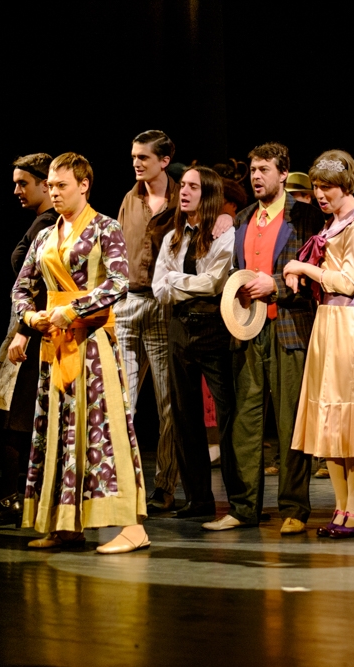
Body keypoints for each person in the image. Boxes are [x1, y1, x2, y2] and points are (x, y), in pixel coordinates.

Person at [13, 152, 149, 554]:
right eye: (51, 187)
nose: (54, 193)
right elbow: (22, 286)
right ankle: (66, 525)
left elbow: (118, 282)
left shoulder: (105, 227)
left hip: (91, 344)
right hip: (53, 343)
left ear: (84, 184)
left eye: (61, 186)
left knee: (104, 431)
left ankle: (133, 527)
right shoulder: (43, 236)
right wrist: (29, 320)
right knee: (58, 429)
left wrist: (71, 309)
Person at [204, 142, 325, 534]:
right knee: (245, 422)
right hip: (247, 331)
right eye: (253, 170)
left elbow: (315, 274)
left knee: (291, 422)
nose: (256, 177)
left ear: (283, 175)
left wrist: (271, 284)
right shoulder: (240, 218)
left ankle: (294, 507)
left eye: (264, 170)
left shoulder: (305, 217)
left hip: (289, 328)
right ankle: (243, 507)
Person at [284, 150, 354, 538]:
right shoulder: (334, 225)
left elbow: (348, 282)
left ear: (345, 185)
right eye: (316, 186)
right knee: (327, 417)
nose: (319, 193)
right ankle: (340, 504)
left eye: (327, 186)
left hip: (350, 323)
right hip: (327, 322)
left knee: (349, 417)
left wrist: (301, 267)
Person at [0, 154, 59, 526]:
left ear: (46, 183)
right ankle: (18, 496)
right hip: (26, 324)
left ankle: (12, 497)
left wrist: (26, 331)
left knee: (18, 417)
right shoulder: (41, 223)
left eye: (23, 182)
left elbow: (38, 280)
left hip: (36, 329)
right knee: (15, 415)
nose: (16, 190)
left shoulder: (49, 224)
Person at [152, 166, 236, 520]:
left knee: (228, 414)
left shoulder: (223, 232)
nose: (183, 192)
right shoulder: (175, 234)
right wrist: (184, 281)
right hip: (179, 328)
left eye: (192, 187)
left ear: (209, 193)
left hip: (215, 327)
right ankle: (198, 498)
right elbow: (158, 286)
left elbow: (215, 283)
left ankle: (240, 498)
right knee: (184, 415)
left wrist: (177, 280)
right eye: (182, 186)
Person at [115, 129, 180, 513]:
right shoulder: (130, 197)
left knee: (167, 403)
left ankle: (165, 485)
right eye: (134, 156)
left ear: (164, 160)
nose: (137, 163)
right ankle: (124, 483)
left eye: (144, 157)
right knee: (121, 401)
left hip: (161, 306)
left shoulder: (180, 197)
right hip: (127, 304)